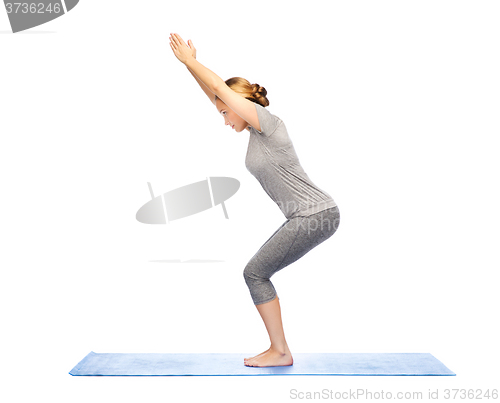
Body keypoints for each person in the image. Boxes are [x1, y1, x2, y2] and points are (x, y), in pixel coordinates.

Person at [169, 33, 340, 367]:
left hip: (316, 214)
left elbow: (221, 91)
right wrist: (188, 67)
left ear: (237, 104)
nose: (223, 119)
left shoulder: (270, 125)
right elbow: (216, 93)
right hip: (307, 216)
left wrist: (191, 61)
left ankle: (280, 351)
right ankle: (278, 349)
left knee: (255, 273)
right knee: (257, 273)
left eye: (224, 113)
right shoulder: (252, 132)